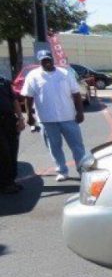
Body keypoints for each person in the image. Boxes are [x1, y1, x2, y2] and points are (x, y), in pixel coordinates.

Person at [21, 50, 86, 182]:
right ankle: (62, 170)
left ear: (52, 59)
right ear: (39, 61)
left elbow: (76, 94)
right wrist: (29, 116)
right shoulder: (33, 76)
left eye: (49, 59)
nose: (47, 62)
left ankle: (83, 170)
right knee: (54, 147)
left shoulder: (65, 73)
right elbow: (28, 97)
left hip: (68, 117)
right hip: (47, 119)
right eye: (44, 60)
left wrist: (80, 112)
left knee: (77, 146)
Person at [0, 75, 26, 194]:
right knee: (3, 152)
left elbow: (14, 100)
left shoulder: (3, 81)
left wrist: (20, 118)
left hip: (9, 121)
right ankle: (5, 184)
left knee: (12, 150)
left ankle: (11, 181)